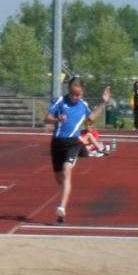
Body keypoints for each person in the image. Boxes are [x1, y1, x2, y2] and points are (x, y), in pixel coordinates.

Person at [46, 77, 111, 223]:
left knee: (67, 171)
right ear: (68, 90)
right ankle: (64, 196)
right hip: (57, 143)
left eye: (78, 94)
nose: (75, 97)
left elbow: (91, 119)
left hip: (73, 143)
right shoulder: (60, 101)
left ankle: (62, 208)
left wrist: (103, 103)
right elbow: (47, 118)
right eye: (72, 94)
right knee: (59, 178)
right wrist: (57, 119)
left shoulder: (83, 105)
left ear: (82, 93)